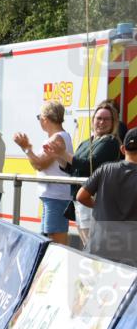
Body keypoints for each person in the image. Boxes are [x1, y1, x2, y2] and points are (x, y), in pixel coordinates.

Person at [47, 100, 122, 246]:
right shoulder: (86, 142)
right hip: (79, 199)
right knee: (86, 240)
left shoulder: (111, 142)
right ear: (93, 120)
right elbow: (74, 169)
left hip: (93, 198)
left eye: (106, 119)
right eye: (99, 118)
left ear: (113, 122)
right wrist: (57, 155)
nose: (102, 122)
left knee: (93, 244)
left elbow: (88, 165)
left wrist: (63, 153)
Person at [13, 101, 73, 244]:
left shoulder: (58, 138)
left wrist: (26, 148)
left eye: (39, 116)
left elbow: (39, 164)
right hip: (53, 196)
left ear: (45, 118)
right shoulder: (59, 136)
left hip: (56, 196)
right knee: (50, 239)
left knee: (55, 242)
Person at [76, 127, 137, 266]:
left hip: (98, 247)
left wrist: (98, 204)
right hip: (130, 252)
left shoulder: (105, 169)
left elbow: (81, 196)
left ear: (122, 149)